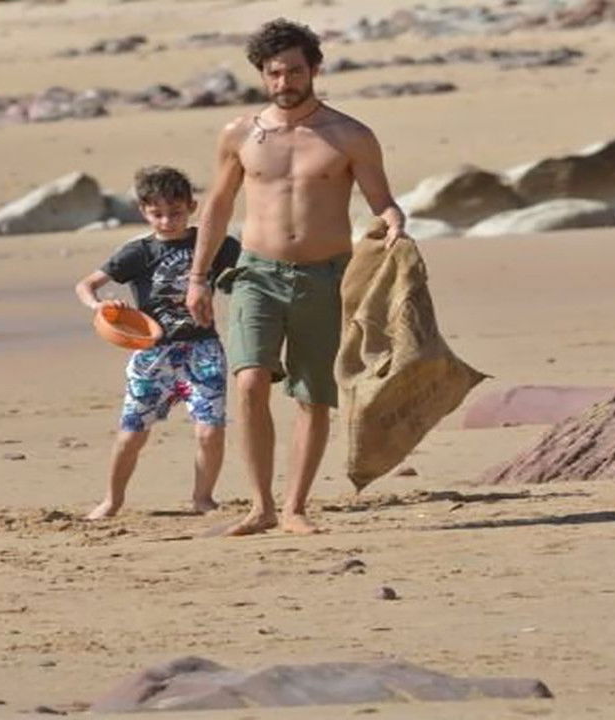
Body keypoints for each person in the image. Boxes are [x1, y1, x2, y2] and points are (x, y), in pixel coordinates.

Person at [185, 19, 407, 536]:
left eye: (294, 71)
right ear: (262, 74)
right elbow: (218, 207)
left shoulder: (350, 136)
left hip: (326, 278)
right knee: (249, 382)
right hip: (256, 273)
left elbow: (382, 201)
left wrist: (395, 222)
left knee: (313, 395)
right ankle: (260, 506)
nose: (284, 82)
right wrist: (198, 277)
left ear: (315, 70)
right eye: (274, 73)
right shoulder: (239, 134)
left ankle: (294, 508)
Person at [75, 165, 242, 519]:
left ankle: (203, 498)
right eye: (157, 214)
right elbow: (86, 285)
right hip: (153, 354)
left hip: (203, 349)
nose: (167, 221)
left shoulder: (214, 244)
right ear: (143, 211)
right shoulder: (138, 253)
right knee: (132, 434)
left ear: (192, 207)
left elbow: (250, 268)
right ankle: (112, 501)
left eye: (176, 213)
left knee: (210, 431)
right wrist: (99, 306)